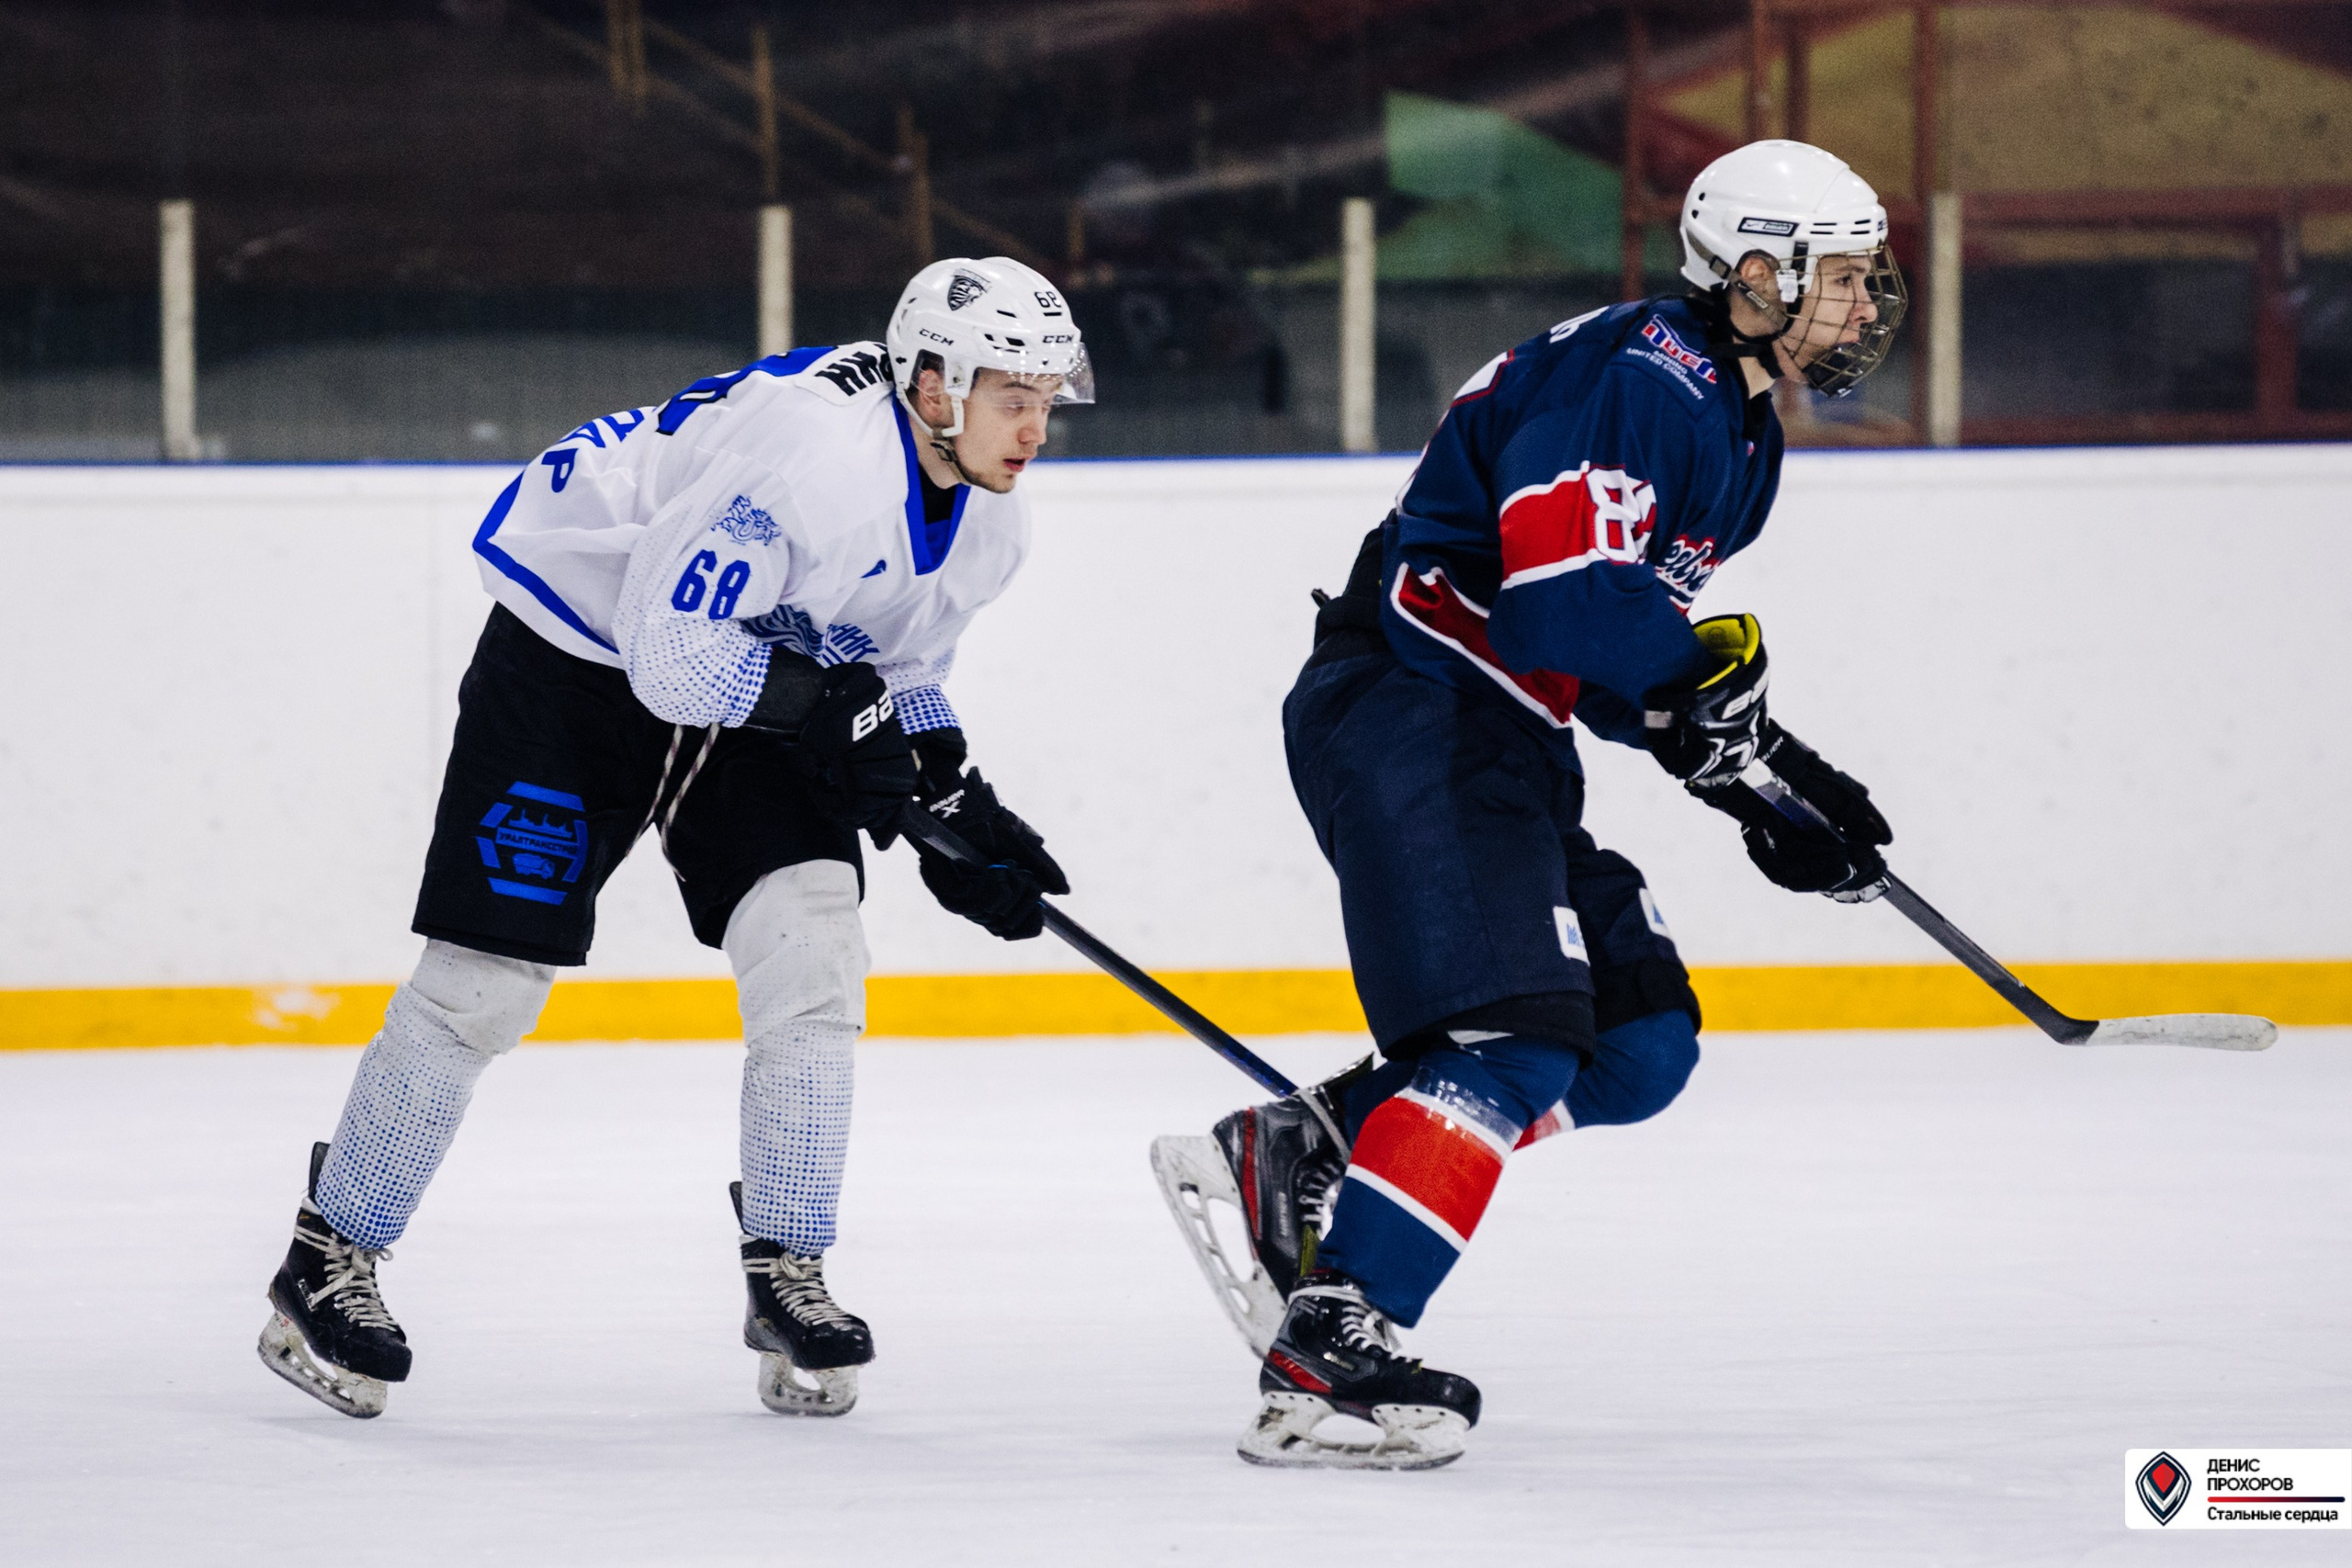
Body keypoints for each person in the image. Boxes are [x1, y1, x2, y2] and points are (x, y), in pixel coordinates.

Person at [1165, 141, 1909, 1470]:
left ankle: (1309, 1145)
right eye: (1840, 275)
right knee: (1510, 1040)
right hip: (1414, 706)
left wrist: (1765, 783)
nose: (1865, 302)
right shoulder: (1638, 379)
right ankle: (1335, 1330)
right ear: (1753, 271)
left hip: (1503, 735)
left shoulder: (1738, 430)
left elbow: (1612, 651)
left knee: (1640, 1039)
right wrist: (1711, 698)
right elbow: (1564, 606)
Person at [257, 256, 1090, 1421]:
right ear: (936, 387)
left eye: (1052, 397)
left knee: (813, 952)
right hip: (580, 656)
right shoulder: (809, 456)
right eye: (1018, 396)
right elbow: (670, 655)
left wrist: (951, 793)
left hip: (751, 661)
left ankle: (786, 1268)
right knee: (483, 983)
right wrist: (830, 712)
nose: (1039, 426)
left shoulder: (992, 526)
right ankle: (328, 1253)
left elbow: (899, 666)